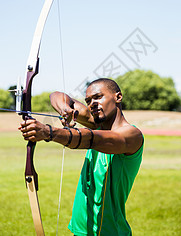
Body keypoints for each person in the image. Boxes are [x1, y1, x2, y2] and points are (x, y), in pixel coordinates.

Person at [19, 78, 144, 235]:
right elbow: (56, 95)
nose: (92, 103)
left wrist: (49, 132)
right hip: (80, 230)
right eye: (88, 100)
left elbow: (90, 139)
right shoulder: (97, 123)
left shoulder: (132, 135)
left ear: (118, 97)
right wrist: (65, 109)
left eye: (98, 97)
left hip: (109, 231)